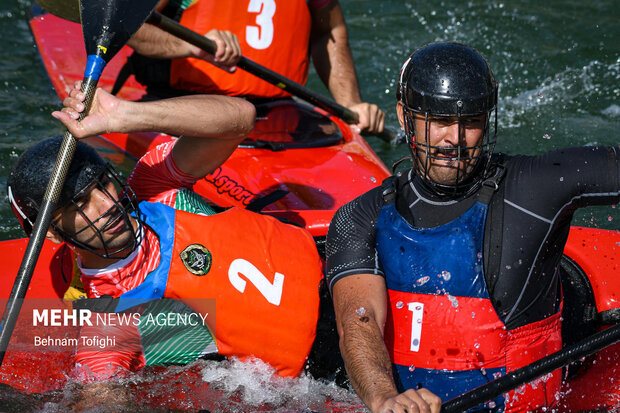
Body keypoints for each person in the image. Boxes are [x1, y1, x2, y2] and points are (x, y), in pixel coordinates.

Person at [325, 41, 620, 413]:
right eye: (440, 121)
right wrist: (384, 398)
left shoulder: (534, 186)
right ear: (404, 117)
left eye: (471, 123)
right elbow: (358, 320)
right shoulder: (361, 217)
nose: (454, 140)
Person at [7, 81, 325, 407]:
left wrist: (125, 114)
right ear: (52, 234)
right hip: (323, 370)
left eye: (103, 183)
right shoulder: (108, 330)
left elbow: (241, 118)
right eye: (80, 204)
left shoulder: (153, 185)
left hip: (333, 264)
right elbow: (101, 398)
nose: (107, 204)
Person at [124, 0, 385, 134]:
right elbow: (130, 26)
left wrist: (351, 105)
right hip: (180, 102)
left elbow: (328, 29)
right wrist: (190, 46)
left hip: (277, 112)